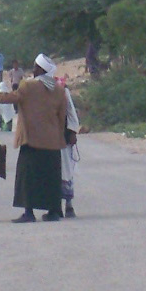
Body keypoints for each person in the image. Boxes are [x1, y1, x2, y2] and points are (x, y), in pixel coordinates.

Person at [0, 54, 68, 223]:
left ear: (41, 70)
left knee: (27, 177)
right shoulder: (59, 90)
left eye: (36, 67)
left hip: (31, 139)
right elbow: (62, 116)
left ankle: (29, 212)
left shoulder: (28, 86)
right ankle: (54, 211)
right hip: (52, 142)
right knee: (50, 177)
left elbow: (8, 98)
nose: (33, 70)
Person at [60, 78, 80, 218]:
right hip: (48, 139)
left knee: (66, 170)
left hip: (63, 138)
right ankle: (55, 207)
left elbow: (71, 113)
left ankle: (68, 205)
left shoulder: (63, 91)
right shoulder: (41, 91)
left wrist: (72, 131)